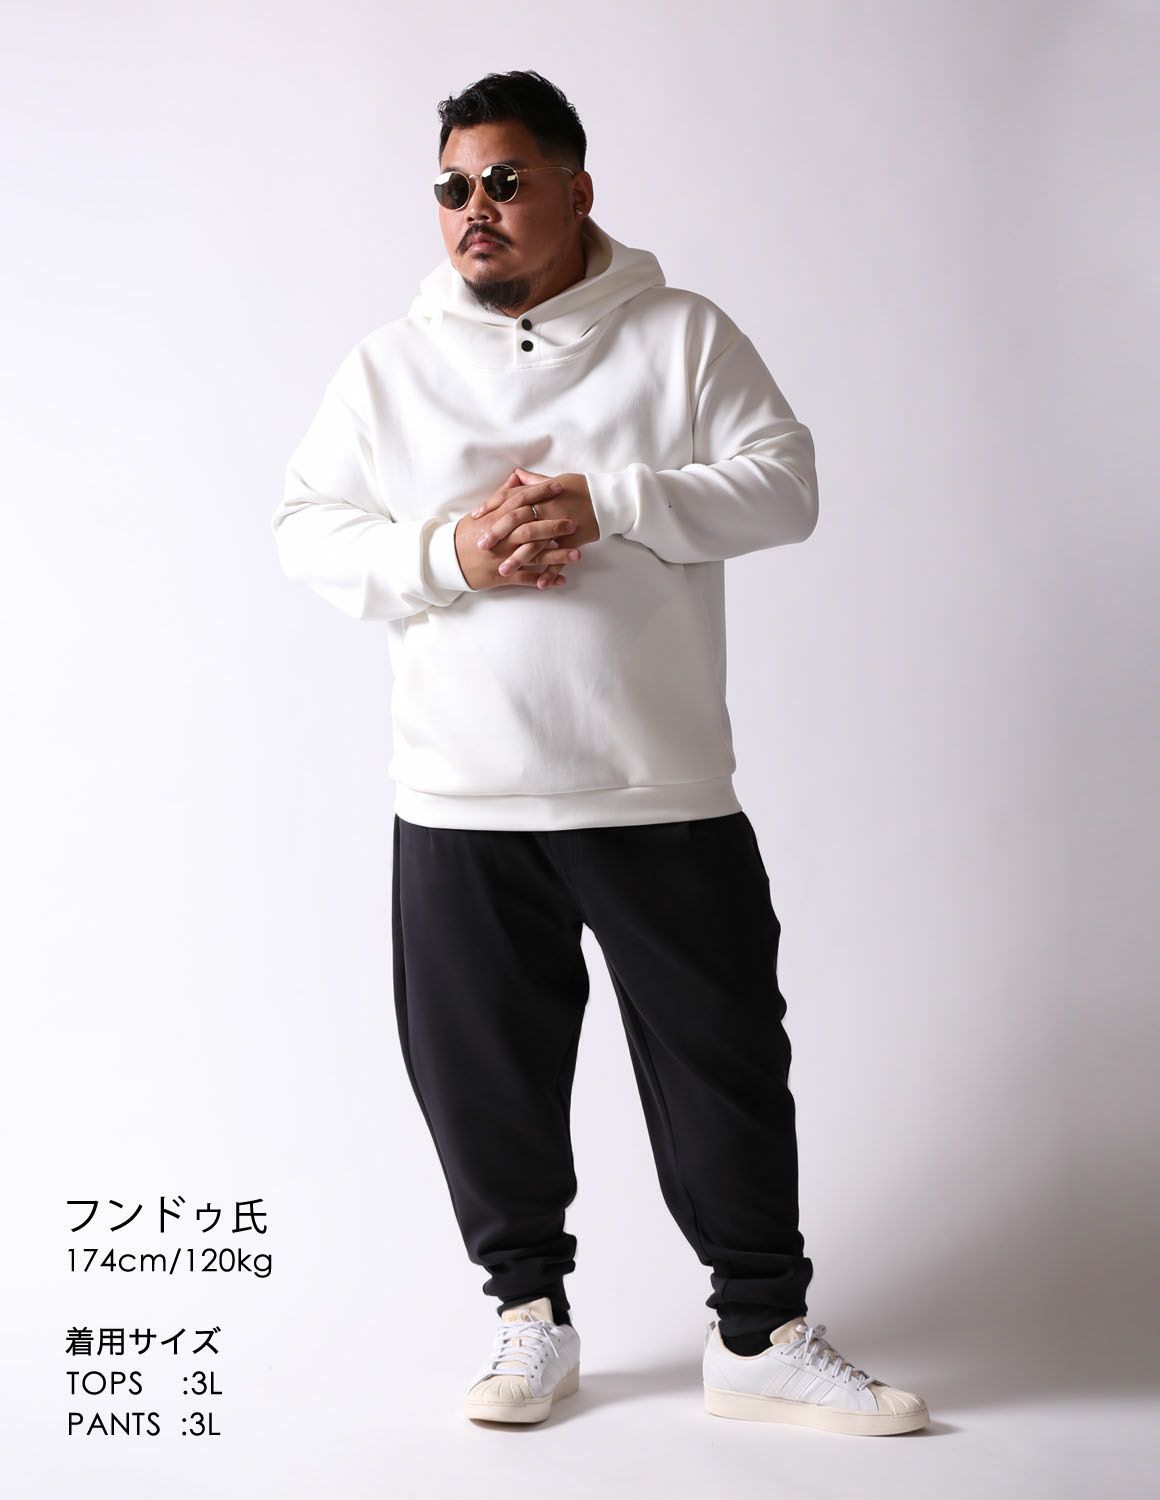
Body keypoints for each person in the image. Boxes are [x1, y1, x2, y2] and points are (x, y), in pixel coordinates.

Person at [272, 68, 929, 1437]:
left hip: (656, 786)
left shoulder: (680, 335)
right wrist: (454, 551)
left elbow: (786, 485)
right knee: (480, 1078)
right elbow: (307, 531)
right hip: (461, 796)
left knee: (725, 1063)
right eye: (453, 187)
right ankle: (529, 1320)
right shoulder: (386, 367)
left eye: (506, 180)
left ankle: (761, 1335)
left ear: (576, 189)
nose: (475, 208)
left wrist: (609, 502)